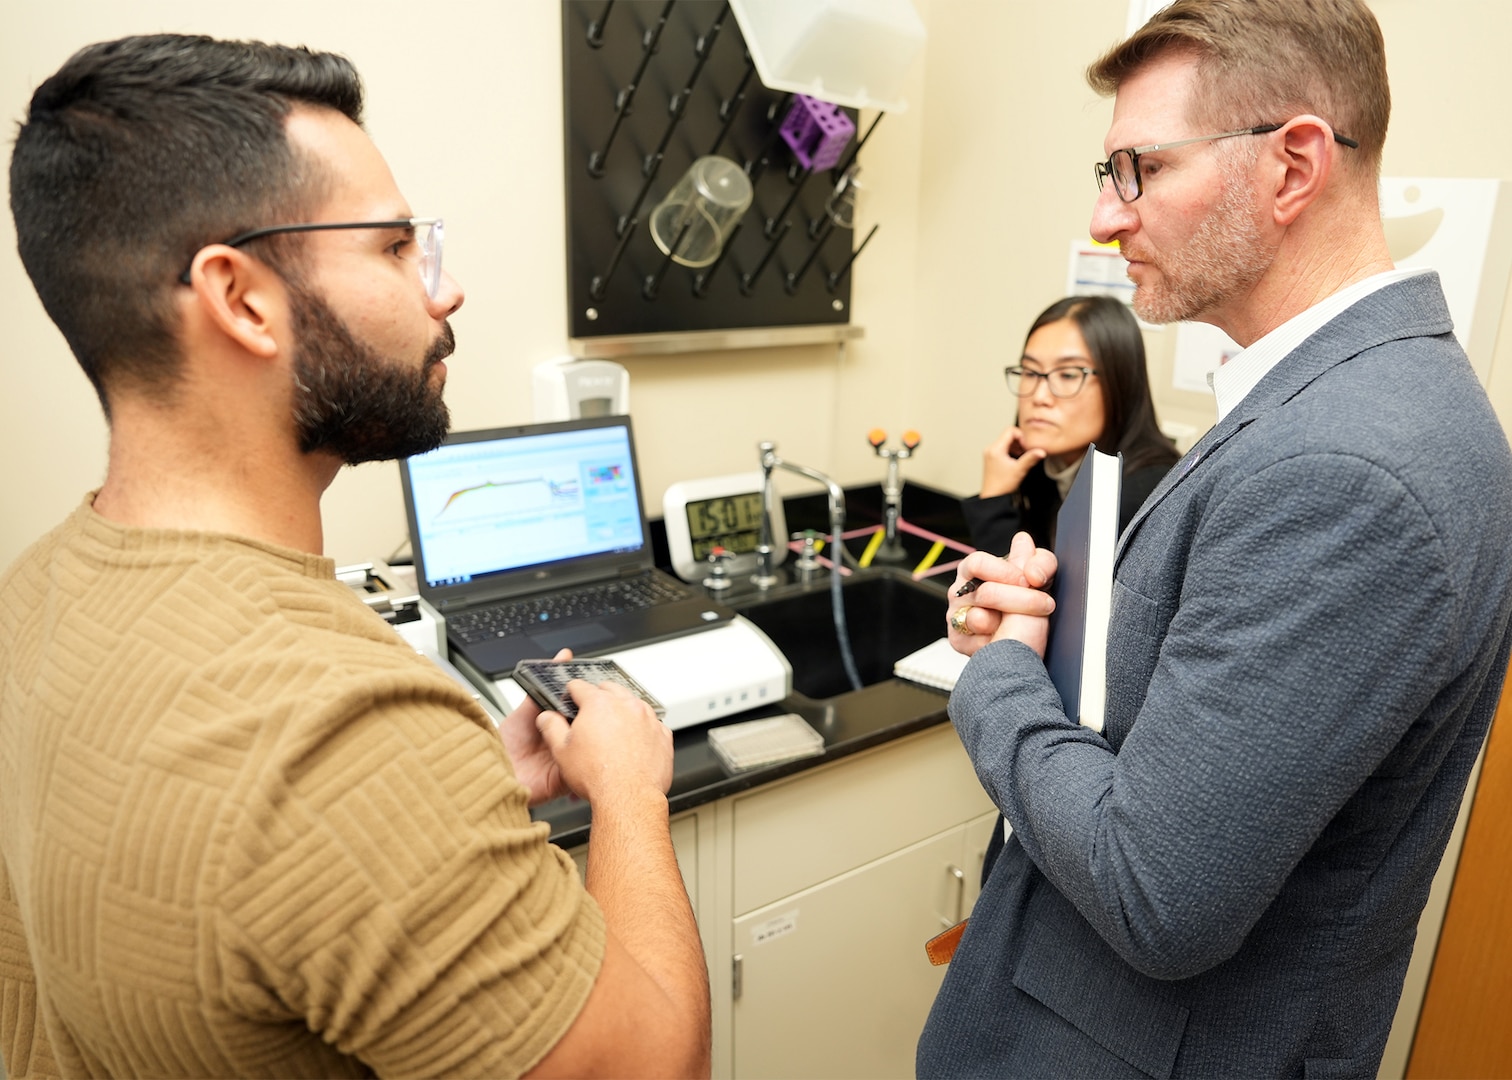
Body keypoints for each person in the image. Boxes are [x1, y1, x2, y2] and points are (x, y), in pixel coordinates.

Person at [0, 34, 708, 1079]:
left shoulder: (37, 593)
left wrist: (451, 816)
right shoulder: (344, 729)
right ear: (240, 298)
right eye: (390, 247)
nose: (445, 289)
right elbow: (659, 1067)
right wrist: (632, 796)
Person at [918, 1, 1512, 1076]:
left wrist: (999, 678)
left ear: (1291, 167)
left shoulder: (1346, 471)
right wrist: (1043, 636)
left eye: (1138, 168)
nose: (1106, 217)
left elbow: (1157, 892)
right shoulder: (1338, 404)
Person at [961, 294, 1179, 558]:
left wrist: (994, 500)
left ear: (1119, 384)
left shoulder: (1140, 497)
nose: (1040, 397)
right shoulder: (1050, 471)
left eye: (1067, 375)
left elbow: (1020, 595)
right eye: (1030, 372)